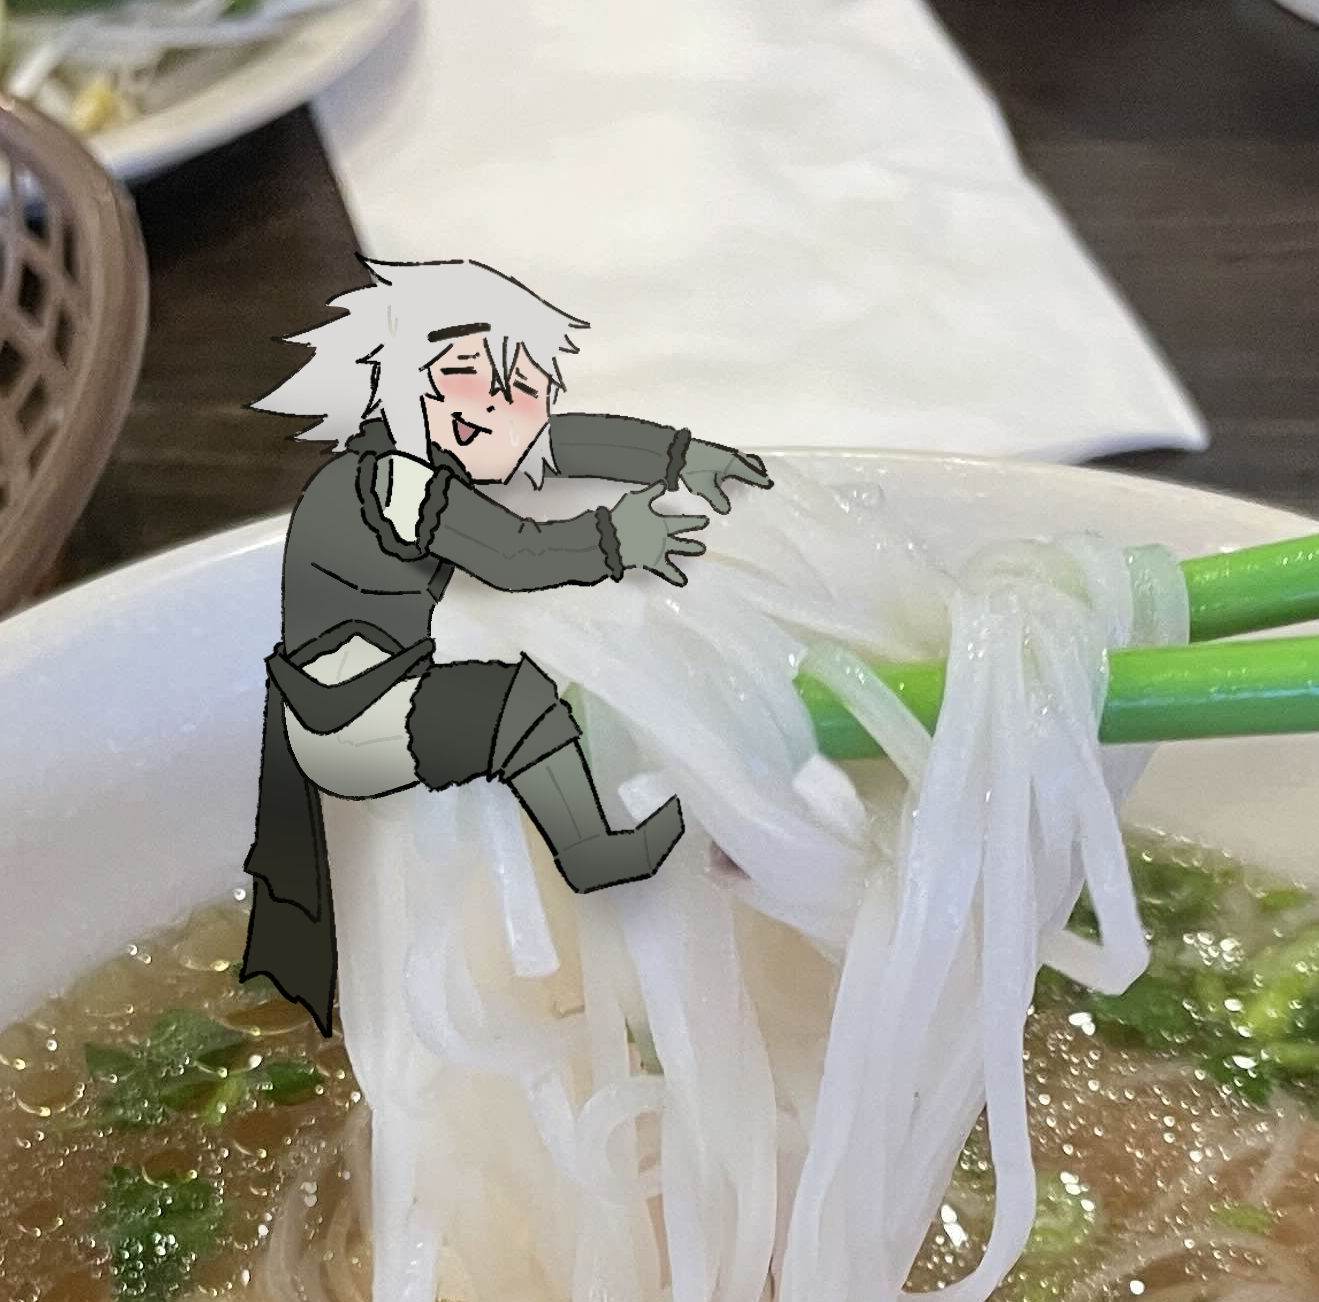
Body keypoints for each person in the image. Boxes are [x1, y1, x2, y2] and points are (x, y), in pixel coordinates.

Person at [239, 257, 774, 1035]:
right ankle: (595, 854)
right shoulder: (393, 481)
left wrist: (678, 456)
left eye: (517, 383)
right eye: (461, 376)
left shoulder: (433, 455)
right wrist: (613, 539)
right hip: (348, 717)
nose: (495, 403)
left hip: (359, 700)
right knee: (515, 702)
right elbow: (512, 556)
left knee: (517, 698)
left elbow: (560, 444)